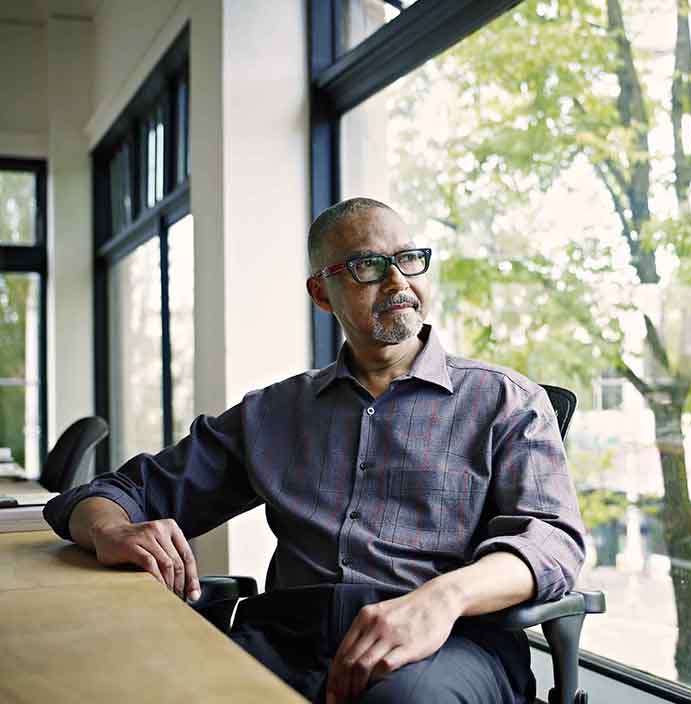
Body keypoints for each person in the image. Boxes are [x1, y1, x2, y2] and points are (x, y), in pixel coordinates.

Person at [43, 198, 587, 704]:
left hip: (448, 645)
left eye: (408, 259)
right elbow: (116, 493)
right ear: (322, 294)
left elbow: (553, 542)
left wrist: (442, 599)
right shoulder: (272, 414)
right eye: (367, 266)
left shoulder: (507, 403)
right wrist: (111, 530)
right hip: (285, 638)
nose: (397, 280)